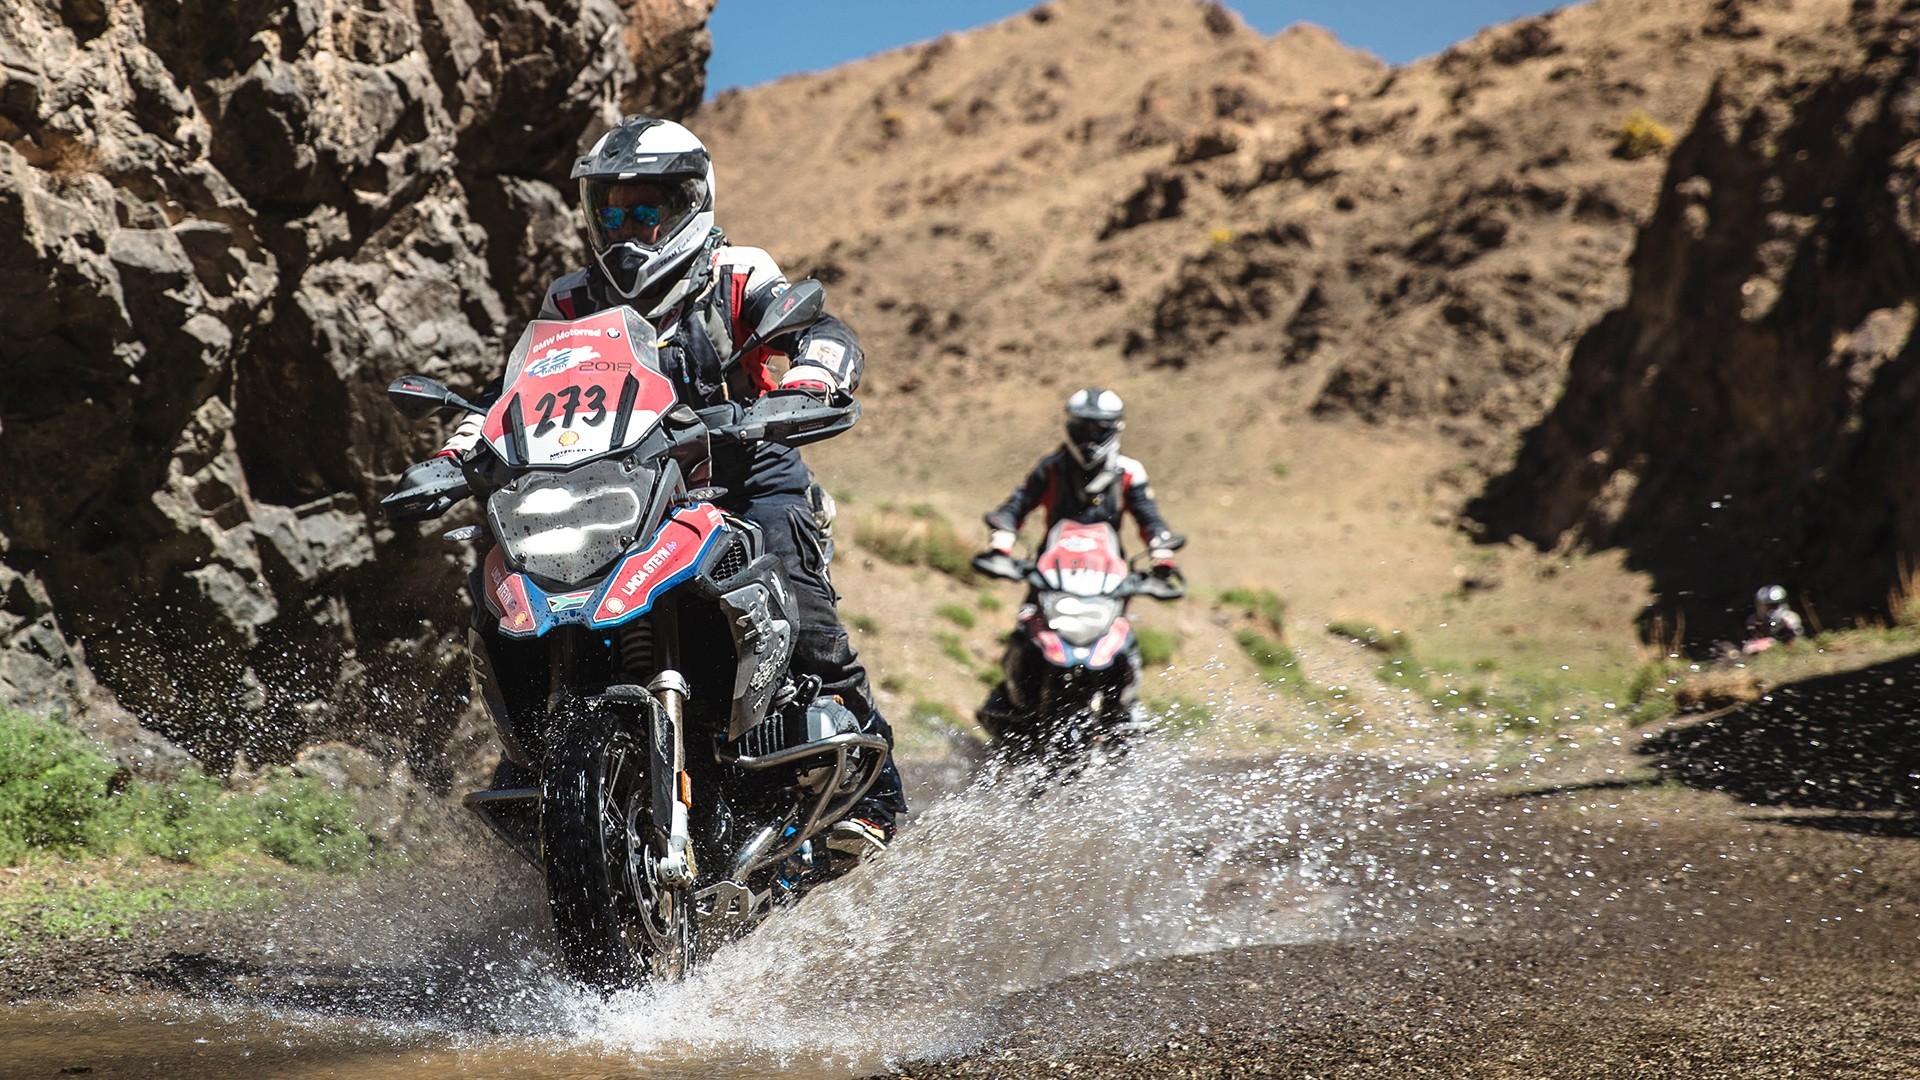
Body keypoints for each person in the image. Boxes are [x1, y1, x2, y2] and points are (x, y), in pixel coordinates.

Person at [430, 116, 904, 858]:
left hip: (740, 473)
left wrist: (811, 378)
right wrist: (457, 451)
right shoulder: (570, 300)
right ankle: (545, 755)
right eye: (612, 211)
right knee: (501, 578)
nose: (628, 228)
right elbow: (512, 397)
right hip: (614, 489)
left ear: (690, 201)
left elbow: (821, 332)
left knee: (799, 595)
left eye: (646, 208)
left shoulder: (737, 272)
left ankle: (873, 793)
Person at [978, 387, 1184, 723]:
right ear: (1070, 428)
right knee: (1026, 632)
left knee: (1122, 637)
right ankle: (1011, 700)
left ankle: (1123, 712)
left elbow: (1150, 518)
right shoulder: (1052, 467)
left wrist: (1162, 555)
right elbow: (1015, 507)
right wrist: (1001, 542)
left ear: (1115, 428)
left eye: (1098, 429)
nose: (1090, 437)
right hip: (1051, 572)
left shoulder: (1128, 472)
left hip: (1106, 576)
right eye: (1082, 428)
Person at [1743, 584, 1806, 651]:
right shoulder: (1753, 621)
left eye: (1774, 606)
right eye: (1767, 606)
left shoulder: (1790, 619)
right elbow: (1747, 646)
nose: (1771, 611)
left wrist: (1772, 643)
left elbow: (1799, 641)